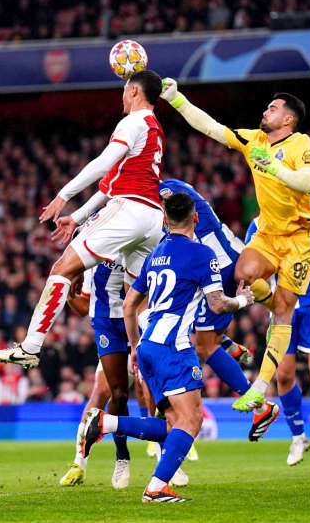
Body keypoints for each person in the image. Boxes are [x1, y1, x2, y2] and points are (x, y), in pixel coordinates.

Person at [81, 192, 254, 502]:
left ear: (165, 220)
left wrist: (134, 347)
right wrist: (243, 300)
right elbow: (217, 305)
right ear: (196, 218)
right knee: (193, 420)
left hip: (147, 345)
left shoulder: (155, 254)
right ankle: (156, 486)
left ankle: (106, 422)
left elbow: (130, 304)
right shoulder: (202, 254)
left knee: (174, 423)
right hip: (173, 346)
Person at [0, 70, 166, 368]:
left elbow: (102, 163)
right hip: (152, 219)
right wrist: (77, 216)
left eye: (124, 89)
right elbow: (110, 183)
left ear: (135, 92)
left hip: (130, 210)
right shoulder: (155, 128)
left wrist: (63, 195)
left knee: (63, 268)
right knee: (137, 300)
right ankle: (161, 359)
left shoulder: (132, 122)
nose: (121, 96)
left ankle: (30, 347)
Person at [160, 79, 310, 412]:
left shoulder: (299, 142)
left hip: (300, 240)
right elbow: (213, 128)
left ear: (288, 120)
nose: (266, 110)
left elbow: (309, 180)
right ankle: (279, 313)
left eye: (273, 108)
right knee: (244, 272)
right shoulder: (254, 139)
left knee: (283, 310)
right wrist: (176, 99)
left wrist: (272, 166)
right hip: (267, 234)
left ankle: (260, 387)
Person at [159, 179, 277, 441]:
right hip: (219, 260)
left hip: (219, 266)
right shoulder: (171, 186)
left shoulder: (164, 191)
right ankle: (228, 345)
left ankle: (260, 405)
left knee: (204, 346)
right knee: (192, 327)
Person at [246, 205, 310, 472]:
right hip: (282, 306)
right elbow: (248, 263)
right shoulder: (259, 224)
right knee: (285, 375)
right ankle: (298, 436)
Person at [59, 254, 133, 489]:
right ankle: (81, 463)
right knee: (110, 393)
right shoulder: (94, 251)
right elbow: (85, 307)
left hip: (140, 324)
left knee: (152, 393)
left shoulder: (140, 235)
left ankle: (168, 460)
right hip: (110, 327)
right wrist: (70, 296)